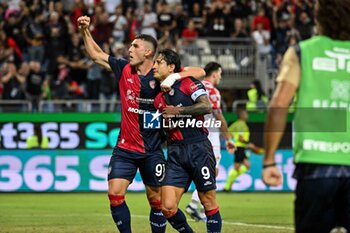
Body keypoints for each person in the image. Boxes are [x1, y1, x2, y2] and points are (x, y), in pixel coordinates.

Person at [77, 16, 205, 233]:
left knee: (158, 202)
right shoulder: (123, 68)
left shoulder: (162, 74)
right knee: (114, 194)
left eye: (135, 46)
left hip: (152, 150)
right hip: (125, 149)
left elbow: (200, 72)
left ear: (147, 52)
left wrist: (174, 78)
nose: (129, 50)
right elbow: (96, 54)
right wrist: (85, 31)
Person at [262, 1, 350, 232]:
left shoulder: (303, 51)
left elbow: (279, 105)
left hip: (316, 166)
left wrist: (269, 160)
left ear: (320, 17)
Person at [153, 49, 222, 233]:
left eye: (158, 62)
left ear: (171, 67)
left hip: (198, 146)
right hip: (175, 152)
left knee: (208, 201)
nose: (154, 66)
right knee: (167, 207)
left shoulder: (187, 83)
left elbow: (206, 106)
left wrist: (178, 111)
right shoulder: (158, 98)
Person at [185, 62, 235, 221]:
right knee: (212, 171)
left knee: (204, 171)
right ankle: (194, 203)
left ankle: (194, 203)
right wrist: (228, 138)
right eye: (219, 73)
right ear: (214, 74)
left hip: (194, 133)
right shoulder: (212, 90)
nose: (220, 76)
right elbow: (218, 116)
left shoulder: (194, 85)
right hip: (210, 136)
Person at [224, 108, 255, 192]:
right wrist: (248, 143)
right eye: (246, 114)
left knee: (247, 165)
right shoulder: (242, 125)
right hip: (240, 147)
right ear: (242, 115)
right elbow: (241, 138)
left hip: (240, 147)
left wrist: (232, 139)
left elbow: (228, 132)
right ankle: (227, 186)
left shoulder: (235, 124)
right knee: (237, 168)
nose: (247, 115)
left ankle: (228, 184)